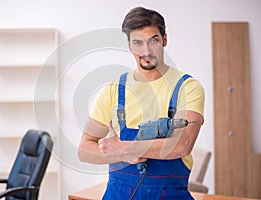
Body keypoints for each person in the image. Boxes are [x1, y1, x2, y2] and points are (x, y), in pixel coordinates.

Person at [78, 6, 205, 200]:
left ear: (164, 39)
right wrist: (120, 155)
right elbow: (84, 150)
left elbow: (181, 145)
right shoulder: (113, 90)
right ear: (129, 45)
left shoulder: (188, 87)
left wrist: (124, 148)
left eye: (153, 40)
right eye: (138, 42)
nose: (146, 51)